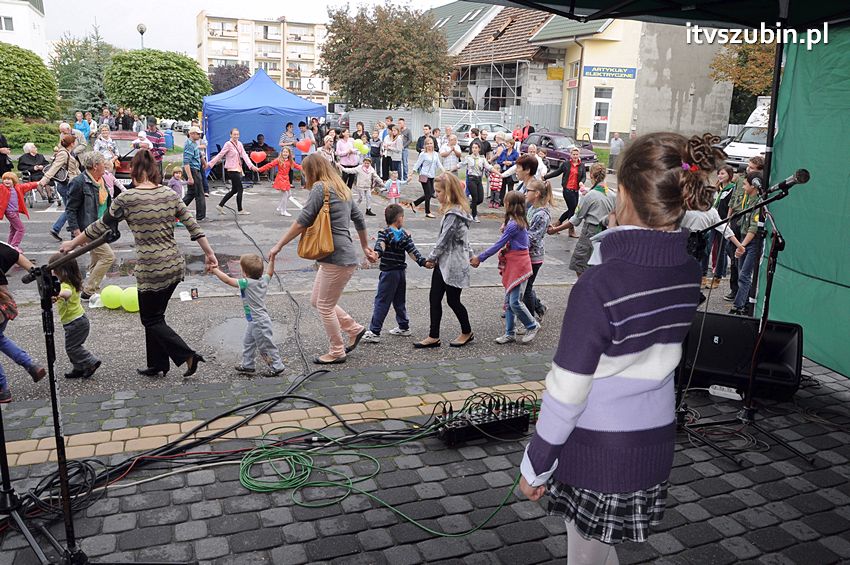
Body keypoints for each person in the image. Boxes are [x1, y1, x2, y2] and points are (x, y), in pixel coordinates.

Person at [518, 132, 716, 565]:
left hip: (597, 452)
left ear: (622, 192)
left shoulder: (600, 284)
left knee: (585, 558)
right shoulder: (688, 270)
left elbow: (568, 390)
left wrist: (536, 463)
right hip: (652, 447)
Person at [60, 150, 217, 378]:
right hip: (174, 266)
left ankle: (187, 355)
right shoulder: (169, 195)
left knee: (151, 319)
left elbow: (99, 227)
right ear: (154, 170)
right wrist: (209, 253)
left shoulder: (127, 199)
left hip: (151, 269)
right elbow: (194, 226)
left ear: (133, 171)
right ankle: (158, 364)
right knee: (157, 317)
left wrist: (72, 243)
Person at [269, 154, 377, 364]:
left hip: (337, 257)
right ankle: (354, 329)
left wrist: (279, 245)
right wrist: (364, 246)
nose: (304, 175)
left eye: (305, 172)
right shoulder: (342, 188)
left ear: (312, 171)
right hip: (337, 257)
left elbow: (303, 221)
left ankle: (337, 351)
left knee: (325, 306)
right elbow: (359, 219)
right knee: (316, 301)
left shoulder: (321, 187)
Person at [471, 191, 541, 344]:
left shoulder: (514, 224)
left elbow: (498, 245)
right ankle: (510, 333)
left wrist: (479, 258)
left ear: (510, 205)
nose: (504, 204)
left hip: (519, 266)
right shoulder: (517, 222)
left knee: (515, 302)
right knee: (510, 300)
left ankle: (532, 324)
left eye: (505, 202)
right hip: (516, 264)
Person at [414, 173, 473, 349]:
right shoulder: (453, 211)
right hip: (444, 262)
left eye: (438, 191)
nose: (435, 194)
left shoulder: (455, 214)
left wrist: (430, 259)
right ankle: (433, 336)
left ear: (448, 192)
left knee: (453, 300)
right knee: (434, 298)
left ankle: (467, 331)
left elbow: (443, 240)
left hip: (453, 264)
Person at [362, 204, 428, 343]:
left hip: (388, 274)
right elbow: (413, 252)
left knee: (382, 301)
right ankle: (404, 326)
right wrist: (424, 262)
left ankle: (374, 331)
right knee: (399, 301)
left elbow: (380, 246)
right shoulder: (405, 235)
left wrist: (376, 255)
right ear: (399, 219)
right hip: (400, 273)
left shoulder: (384, 233)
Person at [211, 254, 285, 377]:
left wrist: (215, 270)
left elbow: (228, 280)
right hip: (255, 321)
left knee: (265, 346)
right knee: (248, 342)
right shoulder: (263, 280)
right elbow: (270, 273)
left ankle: (277, 366)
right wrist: (272, 261)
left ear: (244, 272)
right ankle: (248, 364)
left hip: (259, 322)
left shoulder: (246, 283)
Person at [64, 151, 116, 299]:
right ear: (95, 166)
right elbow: (71, 209)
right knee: (108, 257)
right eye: (102, 164)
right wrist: (76, 233)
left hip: (101, 227)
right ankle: (89, 291)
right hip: (89, 229)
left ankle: (91, 290)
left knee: (96, 258)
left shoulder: (100, 180)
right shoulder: (79, 182)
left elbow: (106, 204)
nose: (105, 166)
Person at [550, 163, 616, 277]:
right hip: (606, 233)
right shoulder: (613, 195)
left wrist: (555, 229)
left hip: (590, 232)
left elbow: (575, 219)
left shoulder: (590, 195)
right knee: (599, 264)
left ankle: (585, 289)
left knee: (580, 263)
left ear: (591, 175)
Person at [0, 246, 46, 402]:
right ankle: (31, 365)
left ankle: (2, 389)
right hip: (4, 303)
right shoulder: (1, 246)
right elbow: (18, 257)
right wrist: (37, 275)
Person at [50, 254, 101, 379]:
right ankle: (78, 368)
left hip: (76, 323)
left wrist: (57, 293)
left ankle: (91, 362)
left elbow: (66, 293)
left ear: (63, 271)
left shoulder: (66, 285)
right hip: (76, 322)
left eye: (54, 270)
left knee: (72, 348)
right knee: (72, 347)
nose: (52, 273)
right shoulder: (71, 281)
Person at [723, 156, 764, 302]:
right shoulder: (742, 180)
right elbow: (734, 199)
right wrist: (728, 218)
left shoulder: (758, 188)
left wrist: (742, 246)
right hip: (737, 220)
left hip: (748, 228)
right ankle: (736, 290)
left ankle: (741, 299)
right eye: (748, 166)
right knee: (731, 249)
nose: (748, 169)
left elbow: (754, 225)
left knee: (744, 269)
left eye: (752, 168)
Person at [729, 172, 763, 316]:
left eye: (745, 184)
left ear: (754, 186)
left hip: (751, 242)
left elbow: (753, 228)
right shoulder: (748, 199)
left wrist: (741, 246)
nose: (743, 187)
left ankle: (739, 306)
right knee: (741, 273)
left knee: (744, 276)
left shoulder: (759, 202)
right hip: (744, 239)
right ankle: (744, 302)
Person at [209, 128, 259, 215]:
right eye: (234, 134)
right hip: (231, 169)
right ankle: (240, 210)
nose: (236, 136)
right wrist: (210, 164)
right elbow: (221, 154)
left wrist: (251, 166)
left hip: (238, 168)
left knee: (234, 190)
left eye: (237, 134)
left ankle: (220, 205)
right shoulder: (228, 144)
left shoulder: (239, 144)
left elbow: (244, 155)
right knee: (240, 189)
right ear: (230, 135)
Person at [40, 134, 80, 241]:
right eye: (75, 142)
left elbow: (75, 170)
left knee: (71, 209)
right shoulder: (63, 154)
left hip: (70, 184)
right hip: (67, 186)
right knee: (72, 209)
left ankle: (58, 229)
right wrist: (43, 181)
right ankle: (72, 233)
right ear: (72, 144)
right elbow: (54, 168)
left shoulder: (68, 153)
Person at [523, 178, 553, 320]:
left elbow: (532, 237)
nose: (525, 193)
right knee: (526, 287)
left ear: (537, 194)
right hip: (528, 254)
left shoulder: (541, 215)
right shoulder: (532, 209)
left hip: (534, 256)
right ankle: (539, 308)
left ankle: (530, 320)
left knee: (526, 289)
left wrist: (516, 236)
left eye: (528, 190)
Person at [703, 165, 736, 288]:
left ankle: (717, 277)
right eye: (719, 173)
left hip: (722, 221)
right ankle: (703, 276)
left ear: (729, 175)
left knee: (721, 250)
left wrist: (728, 219)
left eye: (723, 174)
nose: (720, 176)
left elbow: (730, 206)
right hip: (711, 222)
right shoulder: (716, 189)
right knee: (706, 247)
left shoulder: (732, 189)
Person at [545, 147, 586, 235]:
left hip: (576, 190)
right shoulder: (566, 164)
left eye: (577, 154)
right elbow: (557, 172)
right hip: (567, 190)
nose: (575, 156)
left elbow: (584, 176)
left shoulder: (581, 165)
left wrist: (582, 182)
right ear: (571, 155)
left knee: (572, 209)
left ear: (579, 155)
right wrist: (545, 177)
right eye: (573, 154)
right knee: (572, 210)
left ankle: (557, 224)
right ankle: (571, 229)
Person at [257, 146, 302, 216]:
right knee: (285, 194)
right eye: (284, 152)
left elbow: (297, 166)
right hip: (280, 178)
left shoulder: (290, 161)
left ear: (289, 153)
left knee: (289, 194)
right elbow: (269, 165)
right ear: (281, 153)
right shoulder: (278, 160)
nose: (285, 153)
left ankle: (280, 207)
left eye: (287, 152)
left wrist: (306, 168)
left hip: (286, 179)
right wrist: (260, 169)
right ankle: (283, 211)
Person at [0, 172, 38, 250]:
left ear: (14, 181)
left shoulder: (17, 188)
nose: (6, 181)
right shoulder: (2, 188)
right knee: (20, 229)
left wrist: (38, 183)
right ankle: (14, 246)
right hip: (10, 212)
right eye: (4, 179)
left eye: (9, 179)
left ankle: (9, 246)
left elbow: (28, 185)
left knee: (13, 229)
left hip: (15, 212)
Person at [460, 142, 494, 222]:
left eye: (476, 148)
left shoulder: (482, 158)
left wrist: (499, 173)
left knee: (480, 199)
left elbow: (489, 167)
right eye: (473, 148)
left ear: (479, 149)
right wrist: (450, 170)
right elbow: (460, 164)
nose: (474, 149)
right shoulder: (468, 158)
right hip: (471, 179)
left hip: (479, 179)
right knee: (475, 198)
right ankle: (474, 216)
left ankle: (466, 208)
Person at [411, 138, 444, 218]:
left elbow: (439, 164)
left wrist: (444, 171)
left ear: (433, 144)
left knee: (430, 193)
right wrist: (412, 172)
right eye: (428, 143)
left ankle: (414, 203)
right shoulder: (423, 154)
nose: (429, 145)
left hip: (431, 176)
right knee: (428, 194)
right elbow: (417, 164)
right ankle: (427, 212)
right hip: (424, 175)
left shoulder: (435, 154)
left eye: (431, 143)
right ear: (425, 145)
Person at [182, 126, 206, 221]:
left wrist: (204, 162)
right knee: (199, 194)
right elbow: (186, 162)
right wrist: (190, 177)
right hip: (192, 170)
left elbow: (199, 154)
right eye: (197, 133)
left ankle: (177, 210)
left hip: (195, 169)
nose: (199, 135)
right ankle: (201, 216)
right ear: (192, 134)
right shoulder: (189, 144)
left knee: (191, 193)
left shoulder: (194, 143)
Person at [399, 118, 413, 182]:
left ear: (404, 123)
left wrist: (404, 146)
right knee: (399, 163)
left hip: (404, 149)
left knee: (405, 163)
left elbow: (410, 140)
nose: (399, 124)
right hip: (398, 149)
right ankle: (399, 177)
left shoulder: (408, 130)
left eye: (400, 123)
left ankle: (405, 178)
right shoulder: (398, 131)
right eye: (398, 123)